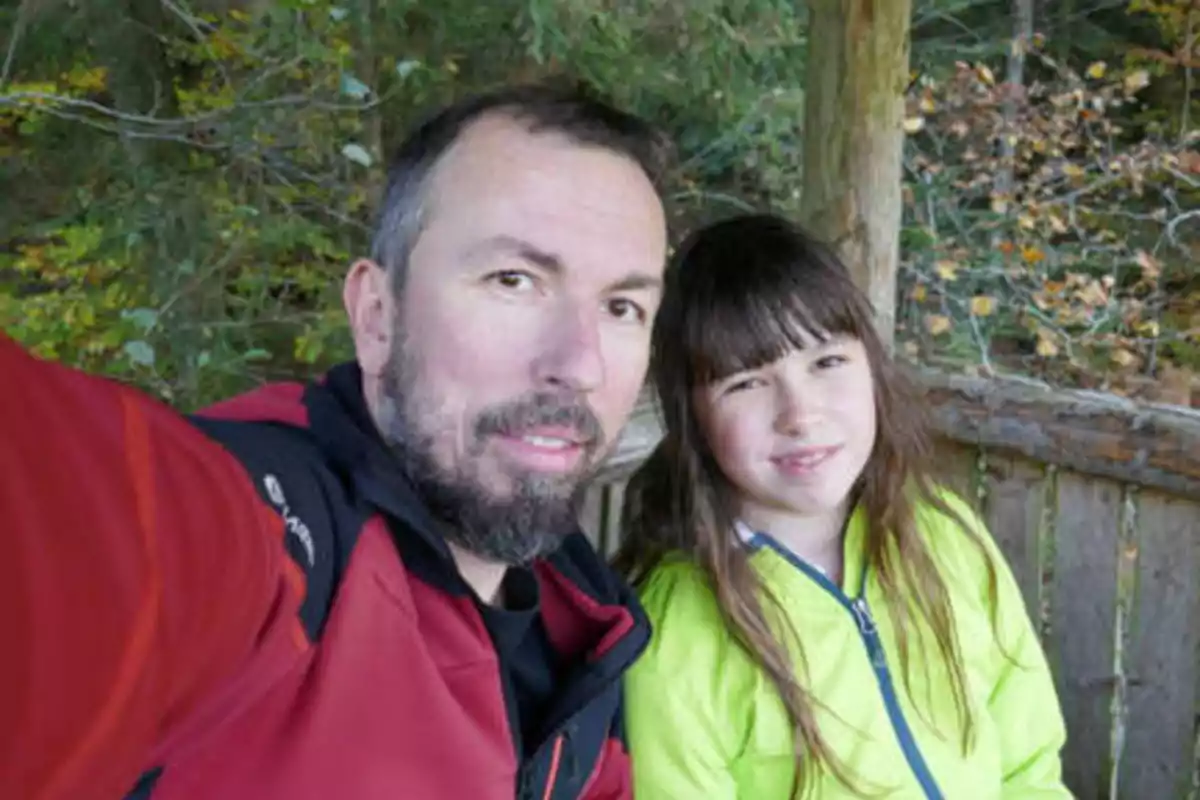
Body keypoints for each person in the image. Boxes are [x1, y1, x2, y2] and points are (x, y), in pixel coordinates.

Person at [0, 81, 671, 800]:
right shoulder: (276, 544)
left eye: (623, 306)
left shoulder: (592, 635)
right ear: (377, 317)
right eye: (514, 280)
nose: (580, 364)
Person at [617, 213, 1070, 799]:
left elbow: (1030, 767)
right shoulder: (673, 632)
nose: (801, 414)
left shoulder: (945, 536)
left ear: (873, 369)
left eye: (827, 362)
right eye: (746, 383)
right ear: (691, 418)